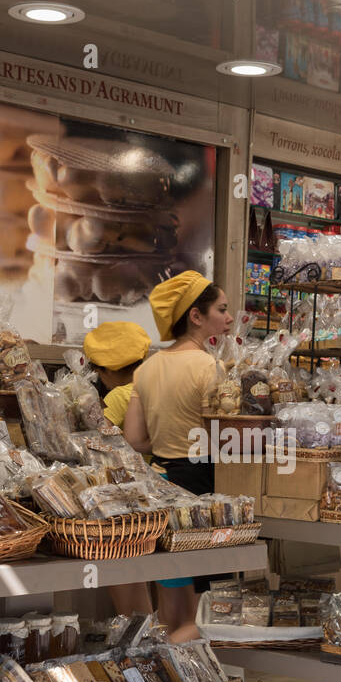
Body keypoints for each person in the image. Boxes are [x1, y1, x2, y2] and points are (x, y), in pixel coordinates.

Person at [123, 271, 233, 641]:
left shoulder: (147, 368)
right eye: (222, 309)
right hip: (201, 488)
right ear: (196, 317)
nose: (229, 318)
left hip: (161, 485)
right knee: (200, 617)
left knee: (171, 609)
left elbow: (134, 438)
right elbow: (224, 436)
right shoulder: (210, 367)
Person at [82, 320, 153, 614]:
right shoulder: (154, 385)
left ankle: (135, 638)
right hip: (158, 495)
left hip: (128, 501)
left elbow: (98, 438)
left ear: (107, 370)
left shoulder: (119, 396)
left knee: (123, 573)